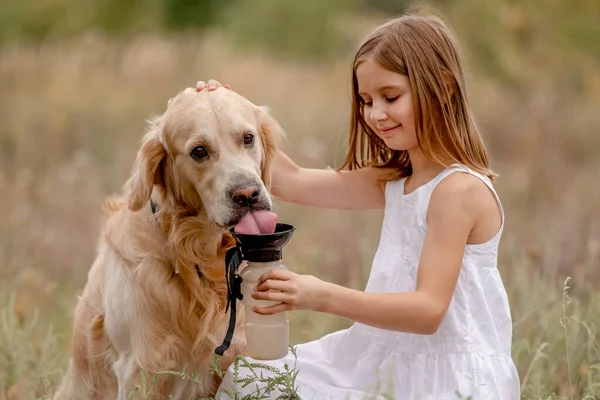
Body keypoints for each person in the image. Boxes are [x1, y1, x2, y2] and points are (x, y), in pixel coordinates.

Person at [196, 11, 520, 400]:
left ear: (444, 87)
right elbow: (292, 181)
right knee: (251, 382)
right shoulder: (398, 180)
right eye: (367, 101)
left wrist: (320, 295)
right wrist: (228, 109)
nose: (375, 114)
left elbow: (429, 310)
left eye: (391, 97)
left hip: (445, 376)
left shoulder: (458, 191)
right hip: (387, 357)